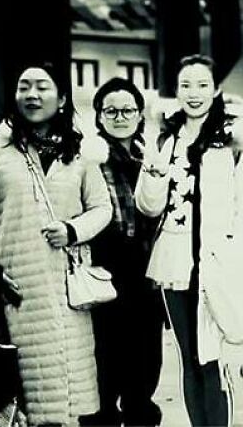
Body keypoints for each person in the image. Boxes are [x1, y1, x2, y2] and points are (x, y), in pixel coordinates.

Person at [0, 62, 112, 426]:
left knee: (76, 388)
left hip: (69, 285)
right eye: (24, 86)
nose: (32, 94)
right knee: (27, 393)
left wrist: (73, 230)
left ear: (62, 98)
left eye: (42, 87)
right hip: (19, 282)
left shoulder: (80, 152)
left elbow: (101, 208)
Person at [134, 55, 243, 427]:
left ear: (216, 90)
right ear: (176, 91)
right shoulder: (165, 137)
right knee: (189, 356)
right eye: (186, 85)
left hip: (216, 258)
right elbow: (148, 205)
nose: (194, 93)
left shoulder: (231, 137)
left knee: (214, 357)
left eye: (202, 84)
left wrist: (238, 253)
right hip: (174, 255)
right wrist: (155, 155)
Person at [87, 77, 163, 426]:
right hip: (104, 270)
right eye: (111, 111)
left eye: (127, 110)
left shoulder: (152, 155)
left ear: (139, 114)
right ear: (99, 116)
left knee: (145, 365)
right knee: (104, 365)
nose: (120, 117)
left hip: (146, 272)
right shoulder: (88, 157)